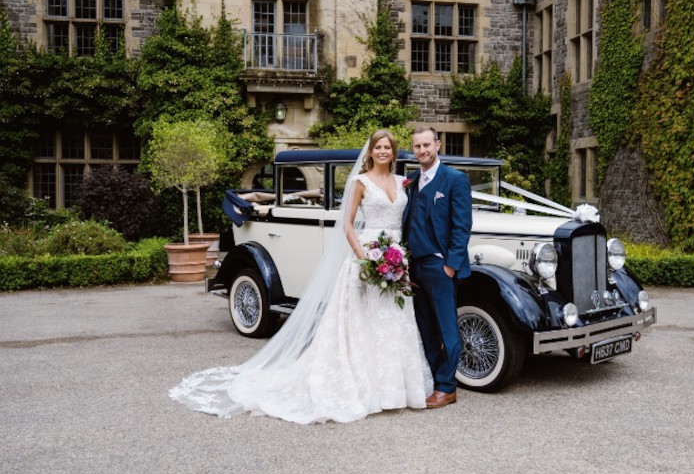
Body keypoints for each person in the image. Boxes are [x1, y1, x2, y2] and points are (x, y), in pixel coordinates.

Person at [169, 129, 433, 423]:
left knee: (393, 320)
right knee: (363, 320)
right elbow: (347, 224)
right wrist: (363, 257)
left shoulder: (402, 182)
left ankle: (394, 387)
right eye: (378, 147)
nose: (383, 152)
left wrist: (399, 255)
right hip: (368, 253)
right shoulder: (360, 182)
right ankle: (365, 384)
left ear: (394, 151)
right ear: (371, 152)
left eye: (388, 147)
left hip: (396, 255)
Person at [402, 125, 472, 409]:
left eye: (426, 145)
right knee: (425, 327)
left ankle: (447, 387)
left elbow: (462, 226)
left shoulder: (455, 179)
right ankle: (434, 379)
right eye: (417, 146)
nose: (422, 150)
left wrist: (451, 265)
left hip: (439, 266)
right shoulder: (410, 180)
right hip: (413, 266)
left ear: (437, 145)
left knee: (447, 329)